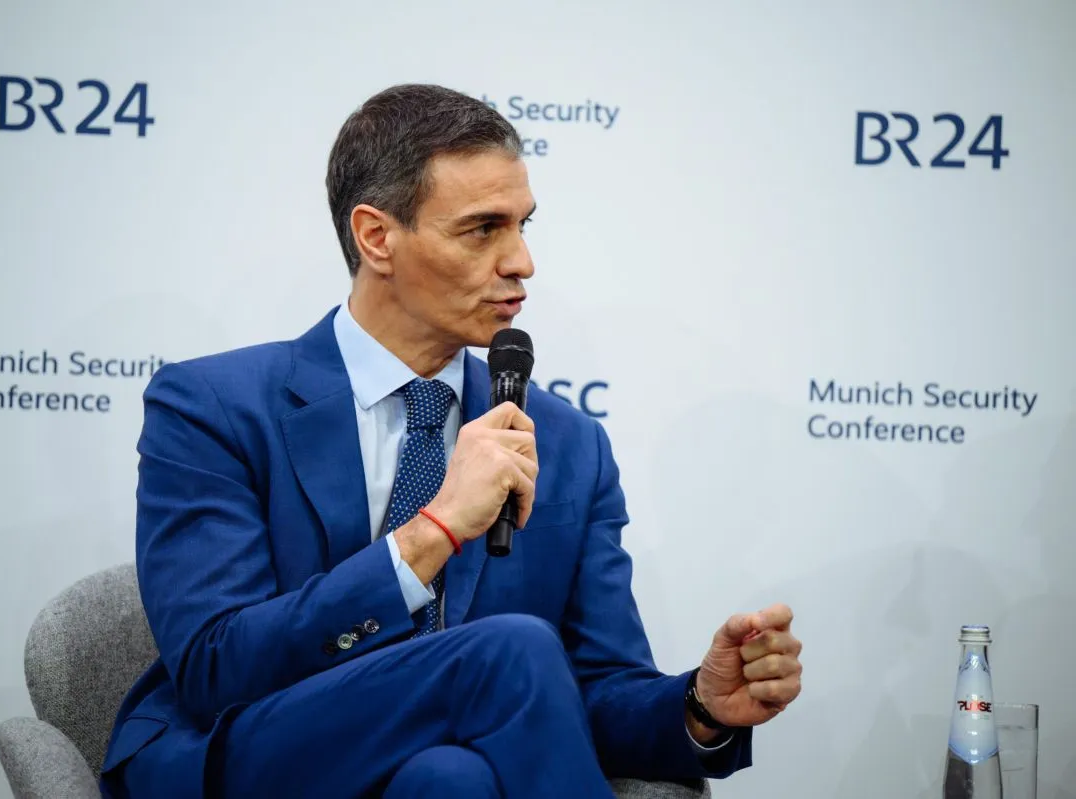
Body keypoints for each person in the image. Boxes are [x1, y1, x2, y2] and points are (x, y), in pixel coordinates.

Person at [99, 83, 803, 799]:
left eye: (523, 225)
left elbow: (584, 692)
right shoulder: (215, 406)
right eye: (483, 229)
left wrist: (701, 707)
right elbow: (215, 668)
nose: (521, 261)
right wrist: (432, 531)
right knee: (512, 647)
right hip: (252, 752)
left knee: (451, 778)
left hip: (438, 770)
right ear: (377, 237)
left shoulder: (569, 445)